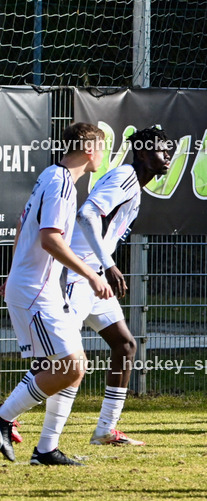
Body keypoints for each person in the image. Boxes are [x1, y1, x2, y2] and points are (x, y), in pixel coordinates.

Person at [0, 123, 113, 465]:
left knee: (69, 365)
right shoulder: (63, 182)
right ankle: (3, 419)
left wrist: (13, 272)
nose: (102, 156)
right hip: (36, 291)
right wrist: (91, 274)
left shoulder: (51, 175)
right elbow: (50, 238)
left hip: (36, 287)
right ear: (91, 149)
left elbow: (23, 226)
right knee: (70, 366)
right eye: (102, 148)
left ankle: (46, 449)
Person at [63, 125, 172, 446]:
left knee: (124, 345)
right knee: (60, 362)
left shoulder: (135, 185)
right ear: (140, 152)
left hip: (94, 277)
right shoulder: (124, 176)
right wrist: (108, 265)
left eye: (169, 150)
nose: (167, 155)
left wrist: (104, 264)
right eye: (159, 149)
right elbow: (86, 214)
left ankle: (106, 429)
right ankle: (7, 418)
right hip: (77, 274)